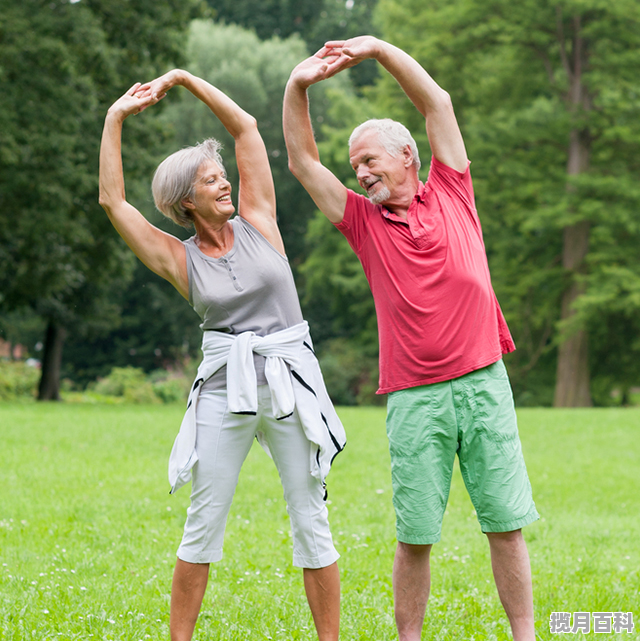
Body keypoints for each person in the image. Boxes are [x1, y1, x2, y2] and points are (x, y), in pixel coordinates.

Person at [283, 37, 539, 641]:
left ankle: (525, 635)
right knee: (416, 533)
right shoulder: (362, 222)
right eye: (355, 167)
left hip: (483, 380)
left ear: (407, 156)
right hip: (415, 396)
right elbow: (301, 163)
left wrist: (376, 50)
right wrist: (297, 88)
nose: (361, 172)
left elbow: (438, 103)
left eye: (370, 160)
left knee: (505, 523)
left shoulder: (454, 191)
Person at [99, 70, 345, 641]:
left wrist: (187, 80)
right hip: (223, 390)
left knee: (312, 522)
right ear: (186, 200)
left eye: (222, 175)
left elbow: (247, 128)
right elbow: (113, 200)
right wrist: (115, 119)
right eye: (211, 181)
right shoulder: (177, 258)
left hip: (289, 382)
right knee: (202, 524)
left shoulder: (259, 219)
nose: (225, 184)